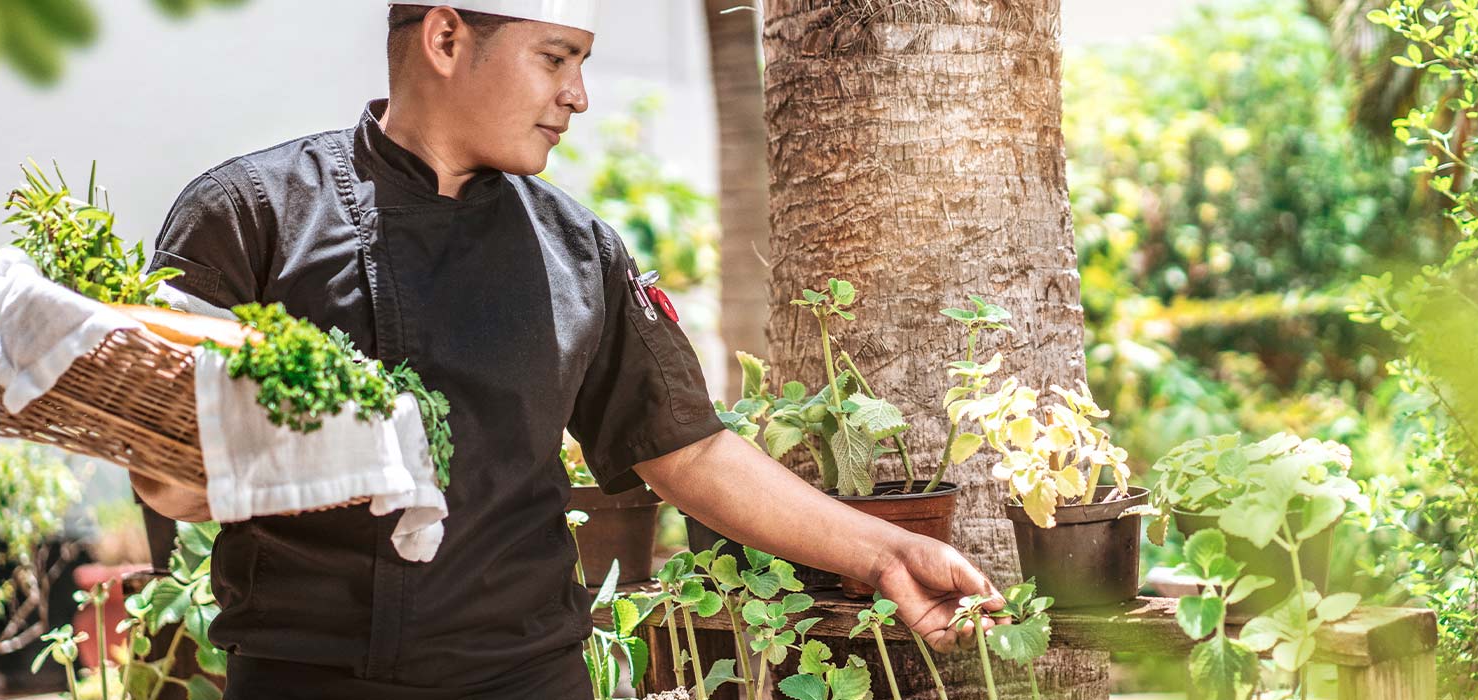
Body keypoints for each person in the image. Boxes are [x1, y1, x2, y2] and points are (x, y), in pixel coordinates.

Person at [130, 2, 1005, 696]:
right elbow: (165, 459)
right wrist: (173, 468)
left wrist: (887, 554)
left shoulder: (577, 247)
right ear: (444, 37)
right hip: (305, 681)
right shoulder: (250, 215)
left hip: (526, 675)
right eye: (556, 58)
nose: (579, 95)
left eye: (581, 62)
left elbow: (689, 449)